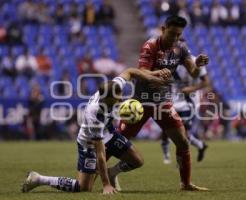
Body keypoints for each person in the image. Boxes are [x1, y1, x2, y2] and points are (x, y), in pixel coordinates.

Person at [22, 68, 172, 194]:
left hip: (109, 133)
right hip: (89, 144)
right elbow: (100, 153)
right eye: (116, 98)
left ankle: (113, 172)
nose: (120, 99)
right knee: (83, 188)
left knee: (137, 161)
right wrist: (106, 184)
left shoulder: (111, 88)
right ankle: (39, 179)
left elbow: (130, 71)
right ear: (106, 98)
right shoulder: (95, 115)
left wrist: (153, 76)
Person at [119, 15, 209, 191]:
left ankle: (186, 183)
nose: (175, 38)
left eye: (179, 35)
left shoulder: (181, 48)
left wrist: (197, 64)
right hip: (141, 102)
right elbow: (142, 71)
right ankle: (94, 174)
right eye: (172, 34)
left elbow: (194, 74)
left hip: (162, 102)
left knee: (183, 142)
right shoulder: (150, 45)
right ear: (163, 29)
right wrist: (159, 74)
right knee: (119, 141)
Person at [160, 54, 210, 164]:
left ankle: (181, 159)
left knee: (182, 133)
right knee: (166, 129)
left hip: (189, 102)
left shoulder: (195, 61)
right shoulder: (169, 61)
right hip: (172, 101)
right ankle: (167, 155)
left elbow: (206, 82)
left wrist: (192, 89)